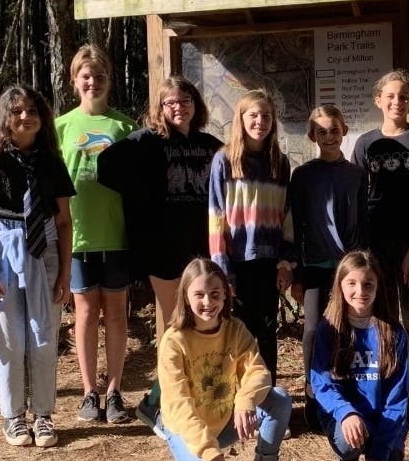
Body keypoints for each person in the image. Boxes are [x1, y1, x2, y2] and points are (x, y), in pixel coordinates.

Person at [97, 76, 222, 432]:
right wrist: (145, 197)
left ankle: (170, 396)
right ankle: (161, 402)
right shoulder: (146, 141)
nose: (178, 108)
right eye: (171, 103)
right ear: (161, 108)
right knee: (175, 324)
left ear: (195, 105)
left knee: (198, 322)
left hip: (200, 249)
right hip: (162, 247)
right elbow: (105, 167)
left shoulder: (209, 145)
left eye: (185, 101)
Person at [0, 85, 74, 448]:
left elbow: (64, 220)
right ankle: (13, 416)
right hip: (2, 254)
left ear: (43, 118)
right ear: (4, 117)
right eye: (17, 111)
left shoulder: (51, 161)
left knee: (44, 337)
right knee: (10, 339)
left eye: (32, 111)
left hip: (45, 253)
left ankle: (43, 414)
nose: (25, 117)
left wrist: (65, 273)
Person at [155, 258, 291, 461]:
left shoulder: (235, 329)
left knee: (279, 399)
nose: (208, 302)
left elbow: (258, 370)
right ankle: (178, 448)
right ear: (186, 297)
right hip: (187, 425)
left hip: (225, 417)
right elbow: (180, 403)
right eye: (199, 295)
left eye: (215, 294)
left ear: (225, 294)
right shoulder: (174, 341)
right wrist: (211, 455)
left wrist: (245, 400)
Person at [351, 70, 409, 437]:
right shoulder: (365, 144)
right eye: (390, 96)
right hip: (375, 249)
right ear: (378, 100)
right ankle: (388, 396)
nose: (397, 102)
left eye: (403, 96)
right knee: (382, 322)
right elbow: (358, 199)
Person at [55, 45, 136, 425]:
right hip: (78, 237)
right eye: (86, 76)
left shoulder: (124, 128)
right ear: (75, 81)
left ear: (109, 80)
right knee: (85, 315)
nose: (93, 82)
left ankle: (115, 391)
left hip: (116, 235)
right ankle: (89, 392)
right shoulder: (61, 127)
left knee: (117, 314)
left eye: (100, 76)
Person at [309, 251, 409, 461]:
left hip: (385, 424)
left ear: (378, 287)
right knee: (348, 441)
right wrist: (345, 413)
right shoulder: (328, 329)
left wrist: (380, 452)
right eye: (351, 283)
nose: (360, 291)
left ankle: (386, 457)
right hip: (349, 423)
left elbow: (398, 400)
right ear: (340, 286)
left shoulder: (394, 333)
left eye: (368, 284)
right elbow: (321, 383)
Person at [208, 89, 294, 382]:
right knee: (237, 333)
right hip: (236, 261)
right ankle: (238, 395)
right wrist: (222, 268)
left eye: (266, 116)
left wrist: (286, 262)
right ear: (241, 119)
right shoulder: (224, 160)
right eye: (253, 115)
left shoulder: (279, 162)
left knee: (267, 331)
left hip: (269, 261)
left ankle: (267, 393)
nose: (260, 122)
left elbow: (287, 216)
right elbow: (216, 215)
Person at [288, 105, 365, 431]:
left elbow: (363, 223)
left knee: (349, 330)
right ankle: (313, 394)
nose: (329, 136)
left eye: (334, 130)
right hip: (315, 265)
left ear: (344, 130)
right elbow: (295, 225)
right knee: (313, 330)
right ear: (312, 136)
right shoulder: (303, 175)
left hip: (349, 268)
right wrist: (296, 272)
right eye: (322, 131)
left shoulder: (357, 174)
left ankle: (347, 394)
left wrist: (362, 267)